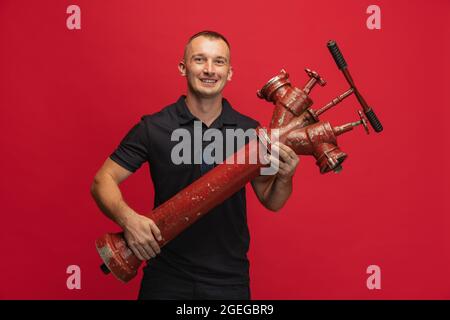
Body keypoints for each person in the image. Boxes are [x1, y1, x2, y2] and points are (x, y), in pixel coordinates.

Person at [90, 30, 299, 300]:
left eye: (219, 62)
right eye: (200, 60)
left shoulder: (251, 132)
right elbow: (102, 181)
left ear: (230, 72)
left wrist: (285, 176)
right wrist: (129, 220)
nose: (209, 70)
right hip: (166, 277)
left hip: (229, 280)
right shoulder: (154, 127)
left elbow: (271, 200)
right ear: (183, 67)